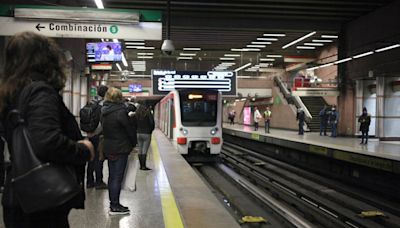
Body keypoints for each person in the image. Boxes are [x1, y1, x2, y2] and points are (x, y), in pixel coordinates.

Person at [0, 31, 94, 227]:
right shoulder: (39, 91)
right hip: (41, 197)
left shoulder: (10, 94)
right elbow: (47, 142)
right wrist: (84, 150)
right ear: (45, 58)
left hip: (20, 192)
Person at [101, 87, 137, 215]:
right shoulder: (120, 112)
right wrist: (134, 144)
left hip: (108, 146)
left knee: (112, 177)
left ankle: (113, 203)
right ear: (119, 98)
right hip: (120, 147)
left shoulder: (104, 111)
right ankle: (115, 206)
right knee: (117, 177)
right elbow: (129, 130)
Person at [83, 85, 108, 189]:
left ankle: (89, 182)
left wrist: (89, 133)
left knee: (90, 159)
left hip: (89, 134)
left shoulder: (91, 102)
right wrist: (97, 133)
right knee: (99, 159)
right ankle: (98, 182)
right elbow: (101, 122)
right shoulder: (102, 105)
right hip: (98, 135)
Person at [134, 102, 155, 171]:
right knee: (144, 150)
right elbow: (152, 123)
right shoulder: (148, 113)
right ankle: (143, 166)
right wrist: (150, 130)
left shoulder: (137, 113)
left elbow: (134, 123)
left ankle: (141, 165)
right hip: (146, 133)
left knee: (140, 149)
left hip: (138, 133)